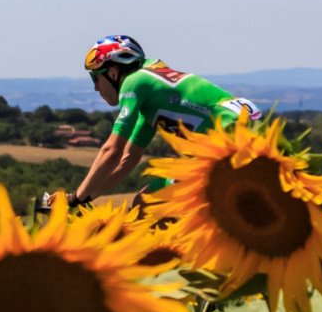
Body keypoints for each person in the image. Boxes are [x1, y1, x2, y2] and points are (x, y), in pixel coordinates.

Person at [66, 34, 262, 205]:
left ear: (113, 72)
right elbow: (128, 159)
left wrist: (75, 199)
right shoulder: (151, 95)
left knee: (148, 205)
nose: (96, 88)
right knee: (147, 202)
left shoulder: (134, 82)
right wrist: (88, 197)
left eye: (95, 79)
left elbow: (112, 150)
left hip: (229, 138)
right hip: (248, 126)